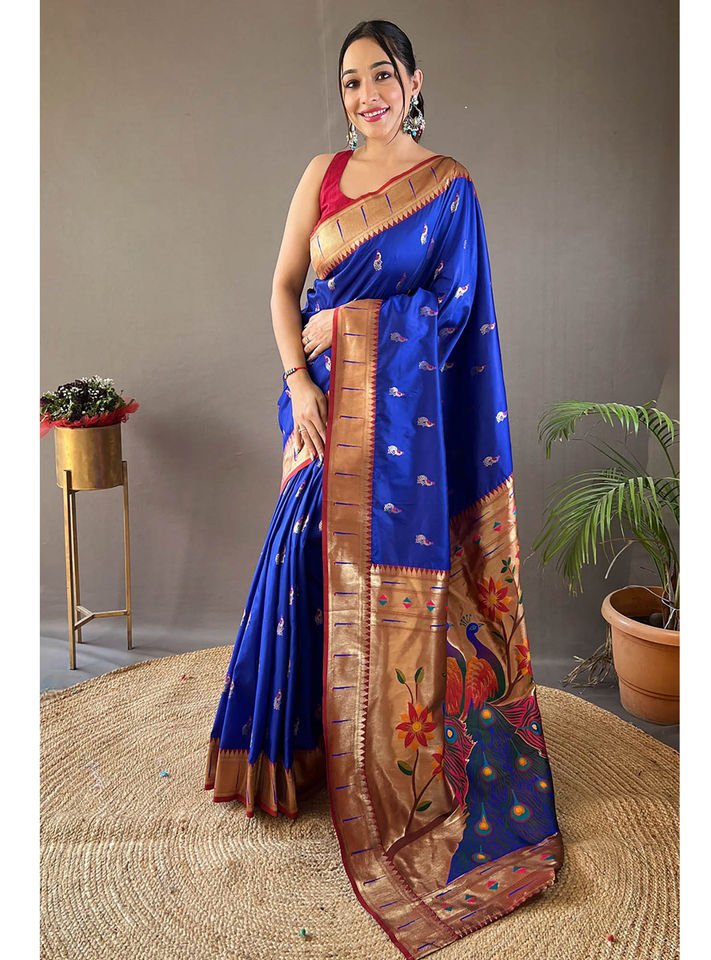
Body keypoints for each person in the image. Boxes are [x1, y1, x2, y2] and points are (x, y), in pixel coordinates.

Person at [205, 19, 564, 958]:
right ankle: (292, 755)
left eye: (381, 76)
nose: (365, 95)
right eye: (350, 81)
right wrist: (298, 381)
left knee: (367, 575)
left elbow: (455, 313)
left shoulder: (448, 187)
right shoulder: (321, 176)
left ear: (413, 83)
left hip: (401, 423)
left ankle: (378, 757)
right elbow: (283, 288)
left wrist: (353, 324)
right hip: (322, 403)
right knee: (301, 557)